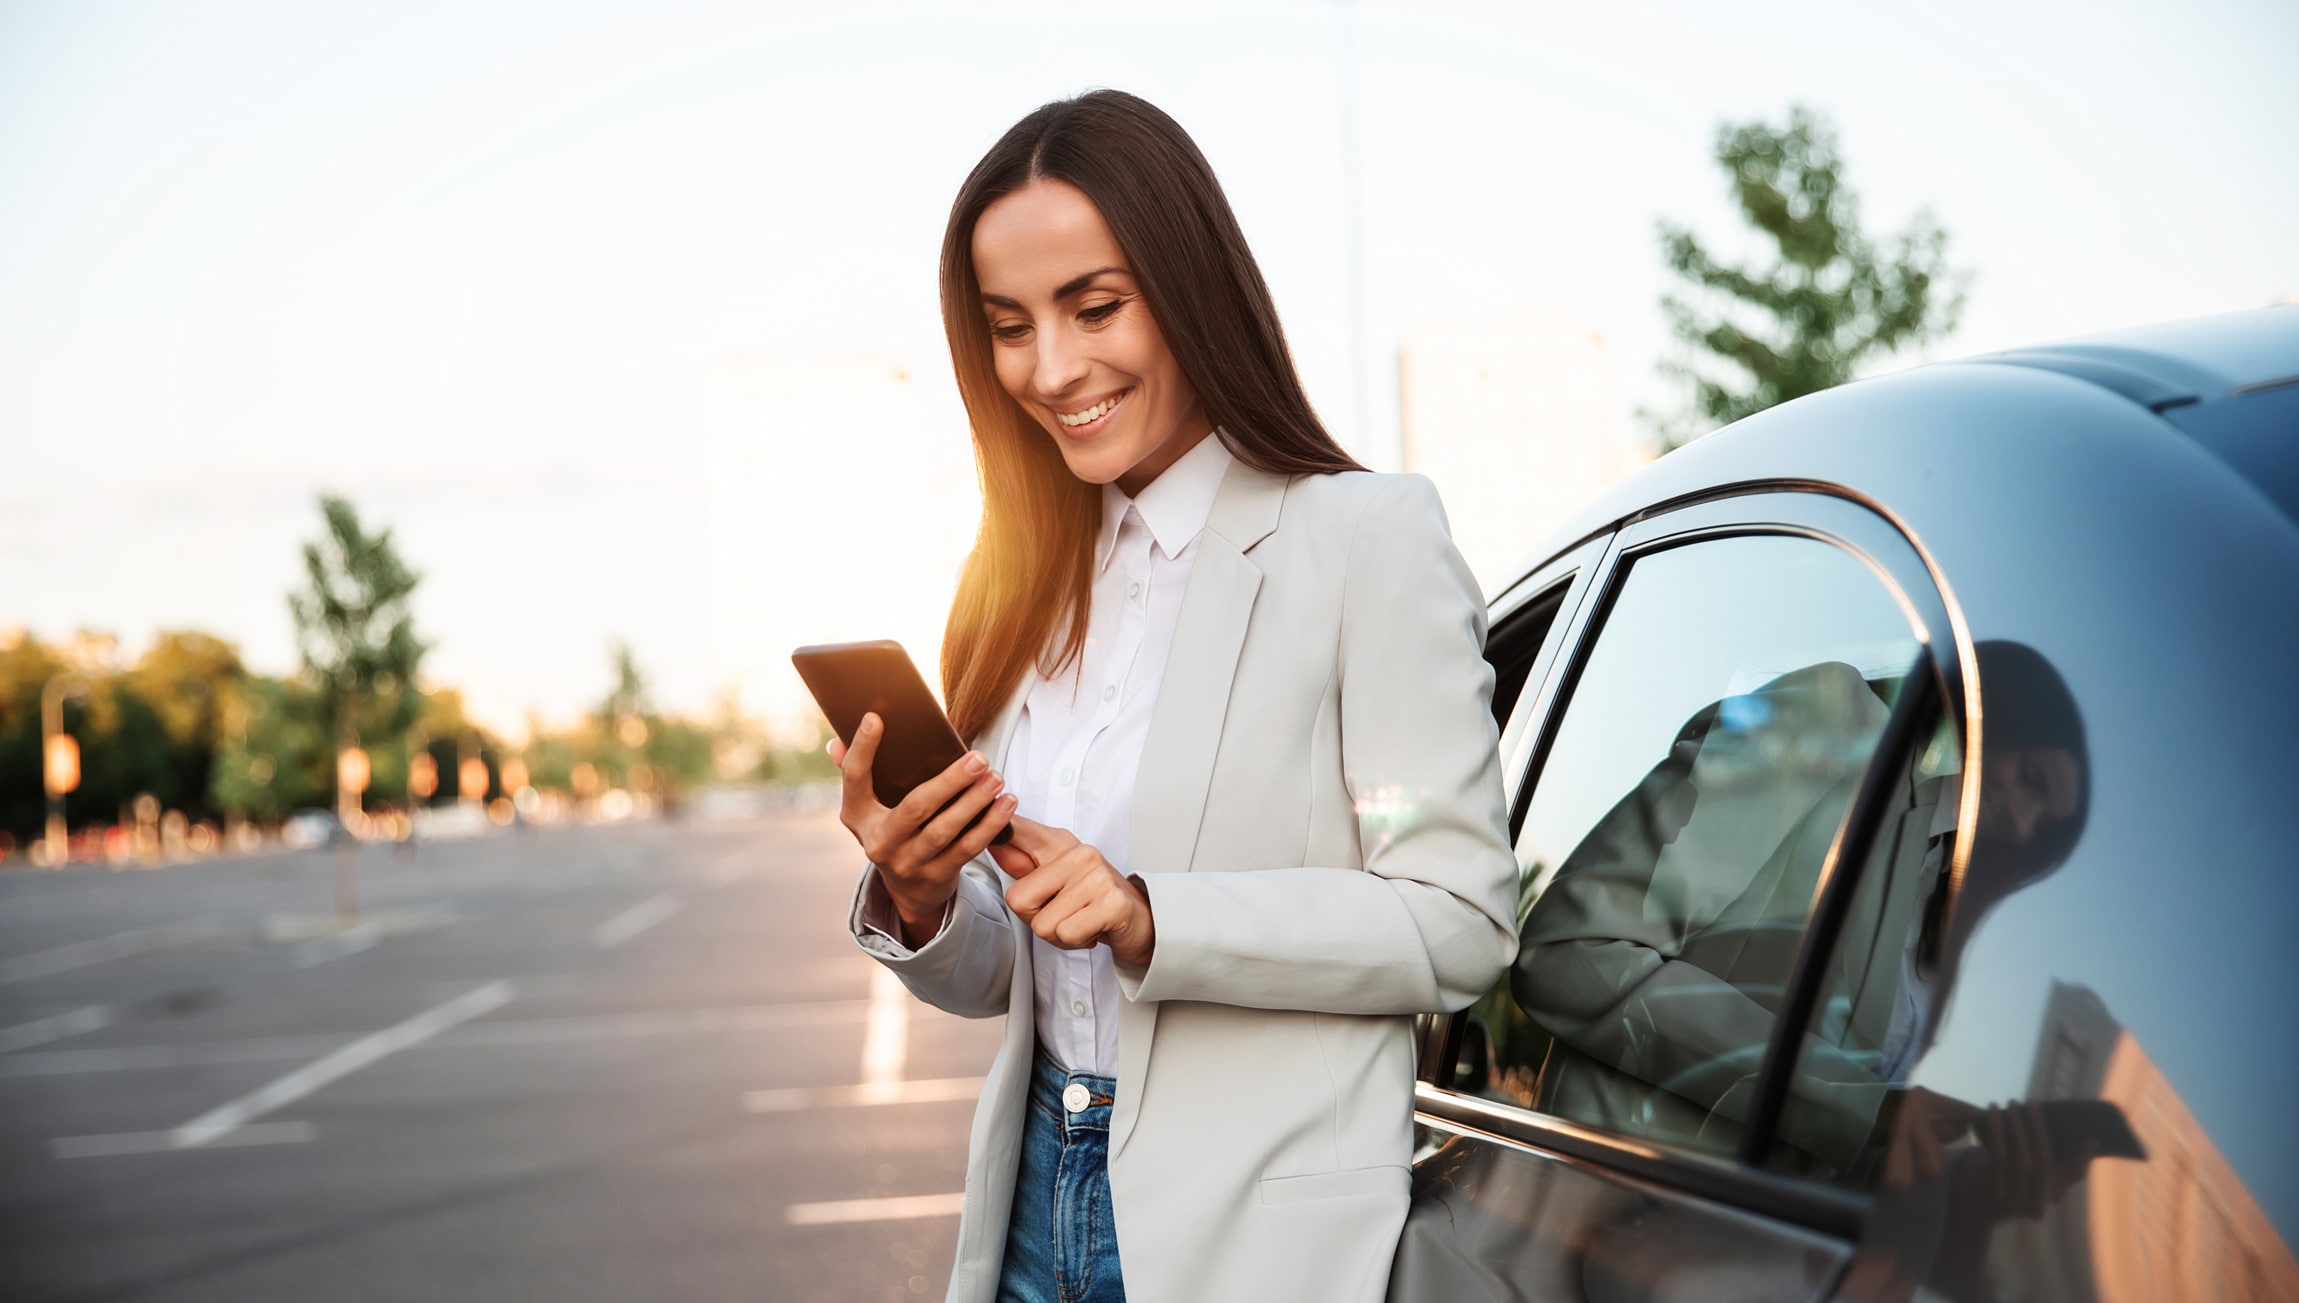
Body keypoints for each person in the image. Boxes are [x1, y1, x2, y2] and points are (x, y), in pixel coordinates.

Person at [826, 90, 1517, 1303]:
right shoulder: (1017, 591)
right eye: (1009, 325)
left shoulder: (1362, 543)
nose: (1052, 368)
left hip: (1257, 1236)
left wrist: (1155, 916)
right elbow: (1012, 975)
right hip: (1035, 1202)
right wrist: (924, 895)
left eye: (1095, 307)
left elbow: (1452, 918)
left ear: (1190, 286)